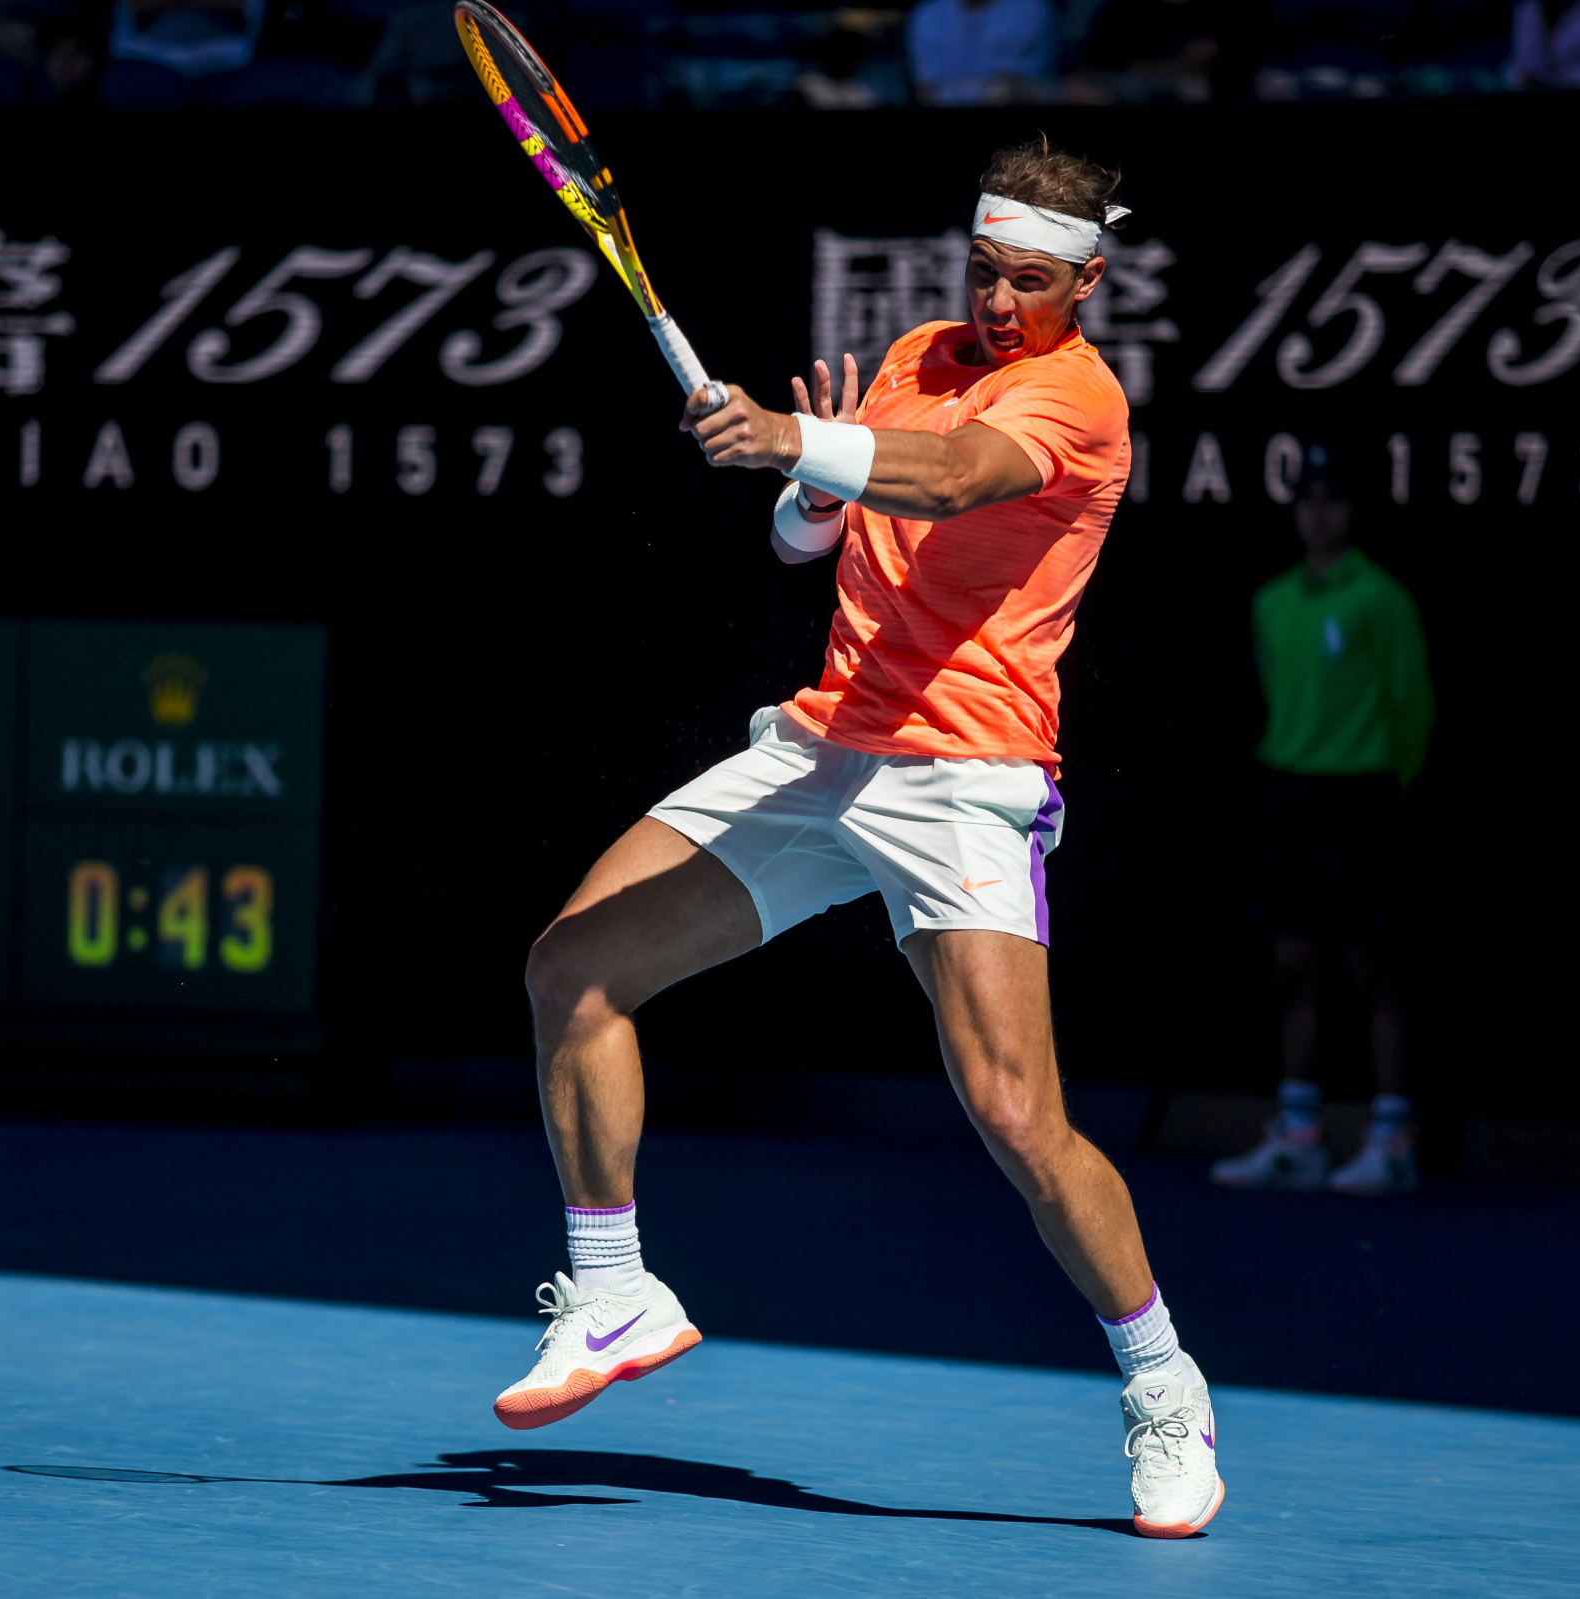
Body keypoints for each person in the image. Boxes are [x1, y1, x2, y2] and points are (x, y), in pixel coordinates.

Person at [497, 138, 1223, 1540]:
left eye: (1030, 278)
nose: (999, 299)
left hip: (965, 779)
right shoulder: (914, 353)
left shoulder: (1078, 401)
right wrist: (808, 489)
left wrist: (792, 437)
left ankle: (1161, 1375)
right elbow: (812, 536)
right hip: (825, 745)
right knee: (572, 971)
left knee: (1019, 1115)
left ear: (1089, 278)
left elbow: (952, 482)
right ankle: (612, 1286)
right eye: (983, 270)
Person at [1212, 446, 1433, 1197]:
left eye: (1334, 497)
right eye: (1307, 496)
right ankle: (1299, 1136)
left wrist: (1378, 784)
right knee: (1292, 965)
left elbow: (1413, 709)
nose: (1319, 510)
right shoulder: (1271, 601)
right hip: (1289, 796)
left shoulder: (1382, 598)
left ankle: (1392, 1137)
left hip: (1358, 799)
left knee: (1372, 968)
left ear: (1352, 509)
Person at [906, 0, 1061, 103]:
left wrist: (949, 90)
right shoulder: (927, 15)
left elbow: (1015, 89)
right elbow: (926, 91)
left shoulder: (1031, 10)